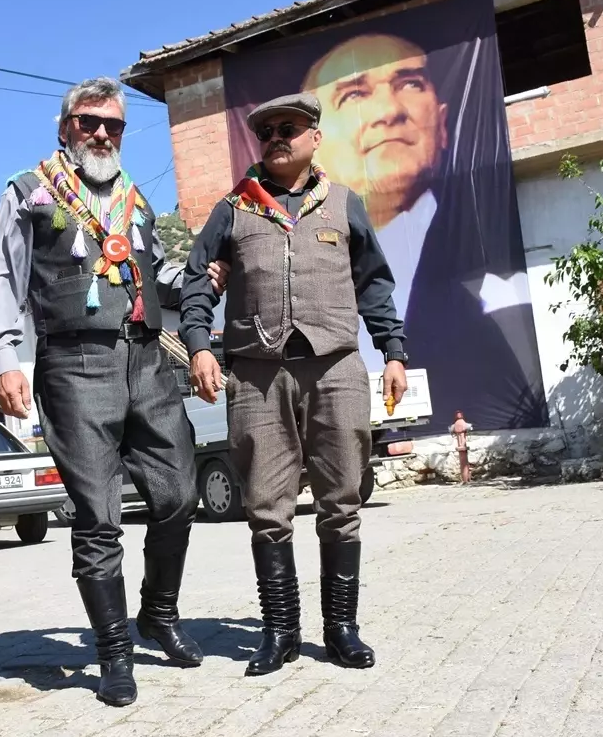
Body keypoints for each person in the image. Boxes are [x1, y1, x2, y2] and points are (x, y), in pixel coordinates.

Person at [0, 76, 215, 708]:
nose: (103, 133)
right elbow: (2, 276)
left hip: (147, 358)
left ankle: (157, 614)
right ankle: (113, 652)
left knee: (179, 492)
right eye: (89, 122)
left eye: (113, 123)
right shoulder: (28, 192)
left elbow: (154, 272)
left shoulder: (136, 199)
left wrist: (202, 274)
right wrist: (5, 358)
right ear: (66, 129)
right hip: (75, 361)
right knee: (97, 516)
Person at [180, 93, 408, 676]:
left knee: (341, 501)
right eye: (267, 131)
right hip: (257, 375)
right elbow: (196, 284)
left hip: (336, 367)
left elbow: (374, 283)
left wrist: (394, 352)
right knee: (266, 506)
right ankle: (279, 632)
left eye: (290, 128)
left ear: (314, 137)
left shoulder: (345, 205)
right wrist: (200, 346)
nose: (277, 137)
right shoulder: (233, 210)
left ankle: (342, 629)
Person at [302, 33, 547, 430]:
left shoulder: (495, 268)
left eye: (410, 84)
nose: (387, 112)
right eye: (353, 96)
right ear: (316, 145)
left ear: (443, 121)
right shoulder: (297, 261)